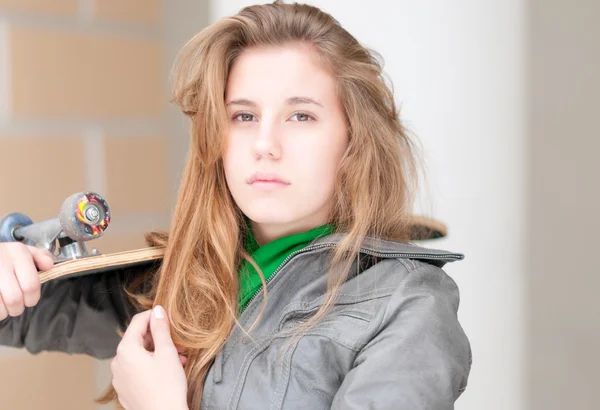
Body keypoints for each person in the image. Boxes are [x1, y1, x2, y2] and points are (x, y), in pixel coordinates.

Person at [0, 1, 471, 409]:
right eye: (243, 115)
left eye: (301, 115)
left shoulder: (409, 305)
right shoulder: (187, 277)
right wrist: (10, 269)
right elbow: (26, 319)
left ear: (355, 141)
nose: (265, 144)